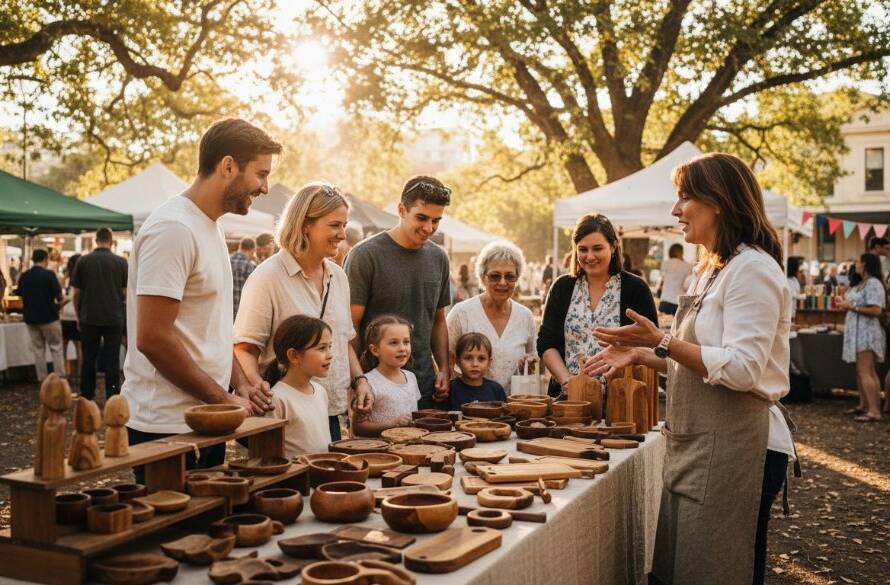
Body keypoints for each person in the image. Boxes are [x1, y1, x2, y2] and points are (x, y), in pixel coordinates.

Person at [587, 153, 795, 585]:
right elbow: (701, 361)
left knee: (716, 570)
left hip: (739, 448)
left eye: (684, 198)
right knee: (680, 570)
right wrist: (646, 356)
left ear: (717, 200)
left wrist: (661, 340)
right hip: (695, 446)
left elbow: (742, 370)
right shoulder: (712, 270)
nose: (675, 210)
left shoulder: (753, 270)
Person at [121, 118, 282, 482]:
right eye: (260, 174)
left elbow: (209, 330)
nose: (266, 187)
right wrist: (224, 399)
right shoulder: (173, 229)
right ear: (227, 166)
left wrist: (241, 382)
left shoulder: (209, 225)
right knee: (176, 537)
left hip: (205, 416)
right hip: (166, 426)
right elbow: (153, 339)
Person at [234, 182, 373, 443]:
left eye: (344, 225)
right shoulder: (267, 277)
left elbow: (343, 342)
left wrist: (360, 381)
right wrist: (259, 390)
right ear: (304, 225)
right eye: (334, 225)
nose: (342, 235)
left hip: (330, 412)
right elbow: (244, 347)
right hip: (285, 415)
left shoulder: (339, 277)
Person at [345, 176, 452, 408]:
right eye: (421, 218)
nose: (428, 228)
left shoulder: (439, 258)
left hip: (426, 387)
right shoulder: (365, 256)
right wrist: (356, 381)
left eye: (436, 221)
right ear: (402, 209)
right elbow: (349, 327)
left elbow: (438, 320)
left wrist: (444, 368)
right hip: (375, 389)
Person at [537, 214, 657, 396]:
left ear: (614, 247)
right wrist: (568, 382)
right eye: (583, 249)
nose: (590, 256)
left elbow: (651, 346)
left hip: (620, 399)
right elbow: (547, 342)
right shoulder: (562, 287)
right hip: (568, 400)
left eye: (597, 248)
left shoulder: (635, 288)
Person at [447, 239, 537, 393]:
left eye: (510, 276)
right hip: (471, 407)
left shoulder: (525, 316)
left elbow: (532, 358)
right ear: (482, 277)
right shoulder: (461, 313)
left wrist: (529, 363)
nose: (503, 283)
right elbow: (445, 359)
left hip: (514, 407)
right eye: (495, 276)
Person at [261, 315, 333, 457]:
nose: (330, 355)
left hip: (322, 474)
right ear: (294, 356)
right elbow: (267, 456)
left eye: (330, 347)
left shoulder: (320, 392)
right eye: (322, 348)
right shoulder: (277, 399)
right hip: (294, 478)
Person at [71, 228, 128, 400]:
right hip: (113, 316)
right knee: (112, 358)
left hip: (89, 316)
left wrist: (78, 315)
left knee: (88, 358)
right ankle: (112, 395)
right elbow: (125, 292)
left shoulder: (83, 261)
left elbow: (75, 294)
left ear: (96, 240)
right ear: (111, 241)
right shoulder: (121, 262)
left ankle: (87, 395)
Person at [352, 315, 420, 436]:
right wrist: (393, 424)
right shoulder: (368, 384)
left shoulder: (411, 377)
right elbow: (358, 428)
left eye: (406, 342)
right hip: (379, 451)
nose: (402, 348)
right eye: (394, 343)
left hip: (409, 449)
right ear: (375, 350)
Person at [837, 253, 885, 422]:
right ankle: (864, 405)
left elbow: (876, 310)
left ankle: (874, 410)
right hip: (858, 334)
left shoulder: (873, 283)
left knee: (866, 372)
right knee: (861, 372)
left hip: (867, 334)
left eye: (857, 261)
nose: (855, 264)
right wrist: (846, 305)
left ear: (864, 264)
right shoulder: (862, 284)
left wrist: (851, 307)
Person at [16, 249, 64, 381]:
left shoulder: (24, 275)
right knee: (56, 348)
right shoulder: (49, 275)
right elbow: (59, 296)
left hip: (31, 318)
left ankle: (42, 379)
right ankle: (59, 379)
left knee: (38, 350)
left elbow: (19, 293)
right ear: (45, 259)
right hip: (49, 317)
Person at [449, 332, 506, 409]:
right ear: (457, 361)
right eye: (468, 358)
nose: (475, 364)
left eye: (481, 359)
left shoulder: (496, 390)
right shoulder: (450, 390)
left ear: (489, 362)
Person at [59, 254, 82, 378]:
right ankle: (79, 373)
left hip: (64, 315)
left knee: (64, 346)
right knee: (79, 347)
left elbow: (63, 293)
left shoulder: (66, 277)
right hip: (76, 314)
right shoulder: (81, 277)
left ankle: (65, 372)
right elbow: (75, 295)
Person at [658, 243, 692, 315]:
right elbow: (687, 284)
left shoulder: (665, 263)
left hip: (665, 300)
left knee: (662, 324)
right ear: (680, 252)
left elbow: (662, 279)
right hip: (678, 302)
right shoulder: (687, 266)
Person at [230, 237, 256, 318]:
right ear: (252, 250)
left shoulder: (226, 260)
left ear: (240, 247)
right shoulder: (250, 266)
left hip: (224, 312)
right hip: (241, 314)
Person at [786, 256, 803, 321]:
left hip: (793, 312)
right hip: (789, 313)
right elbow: (793, 295)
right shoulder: (788, 280)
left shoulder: (794, 280)